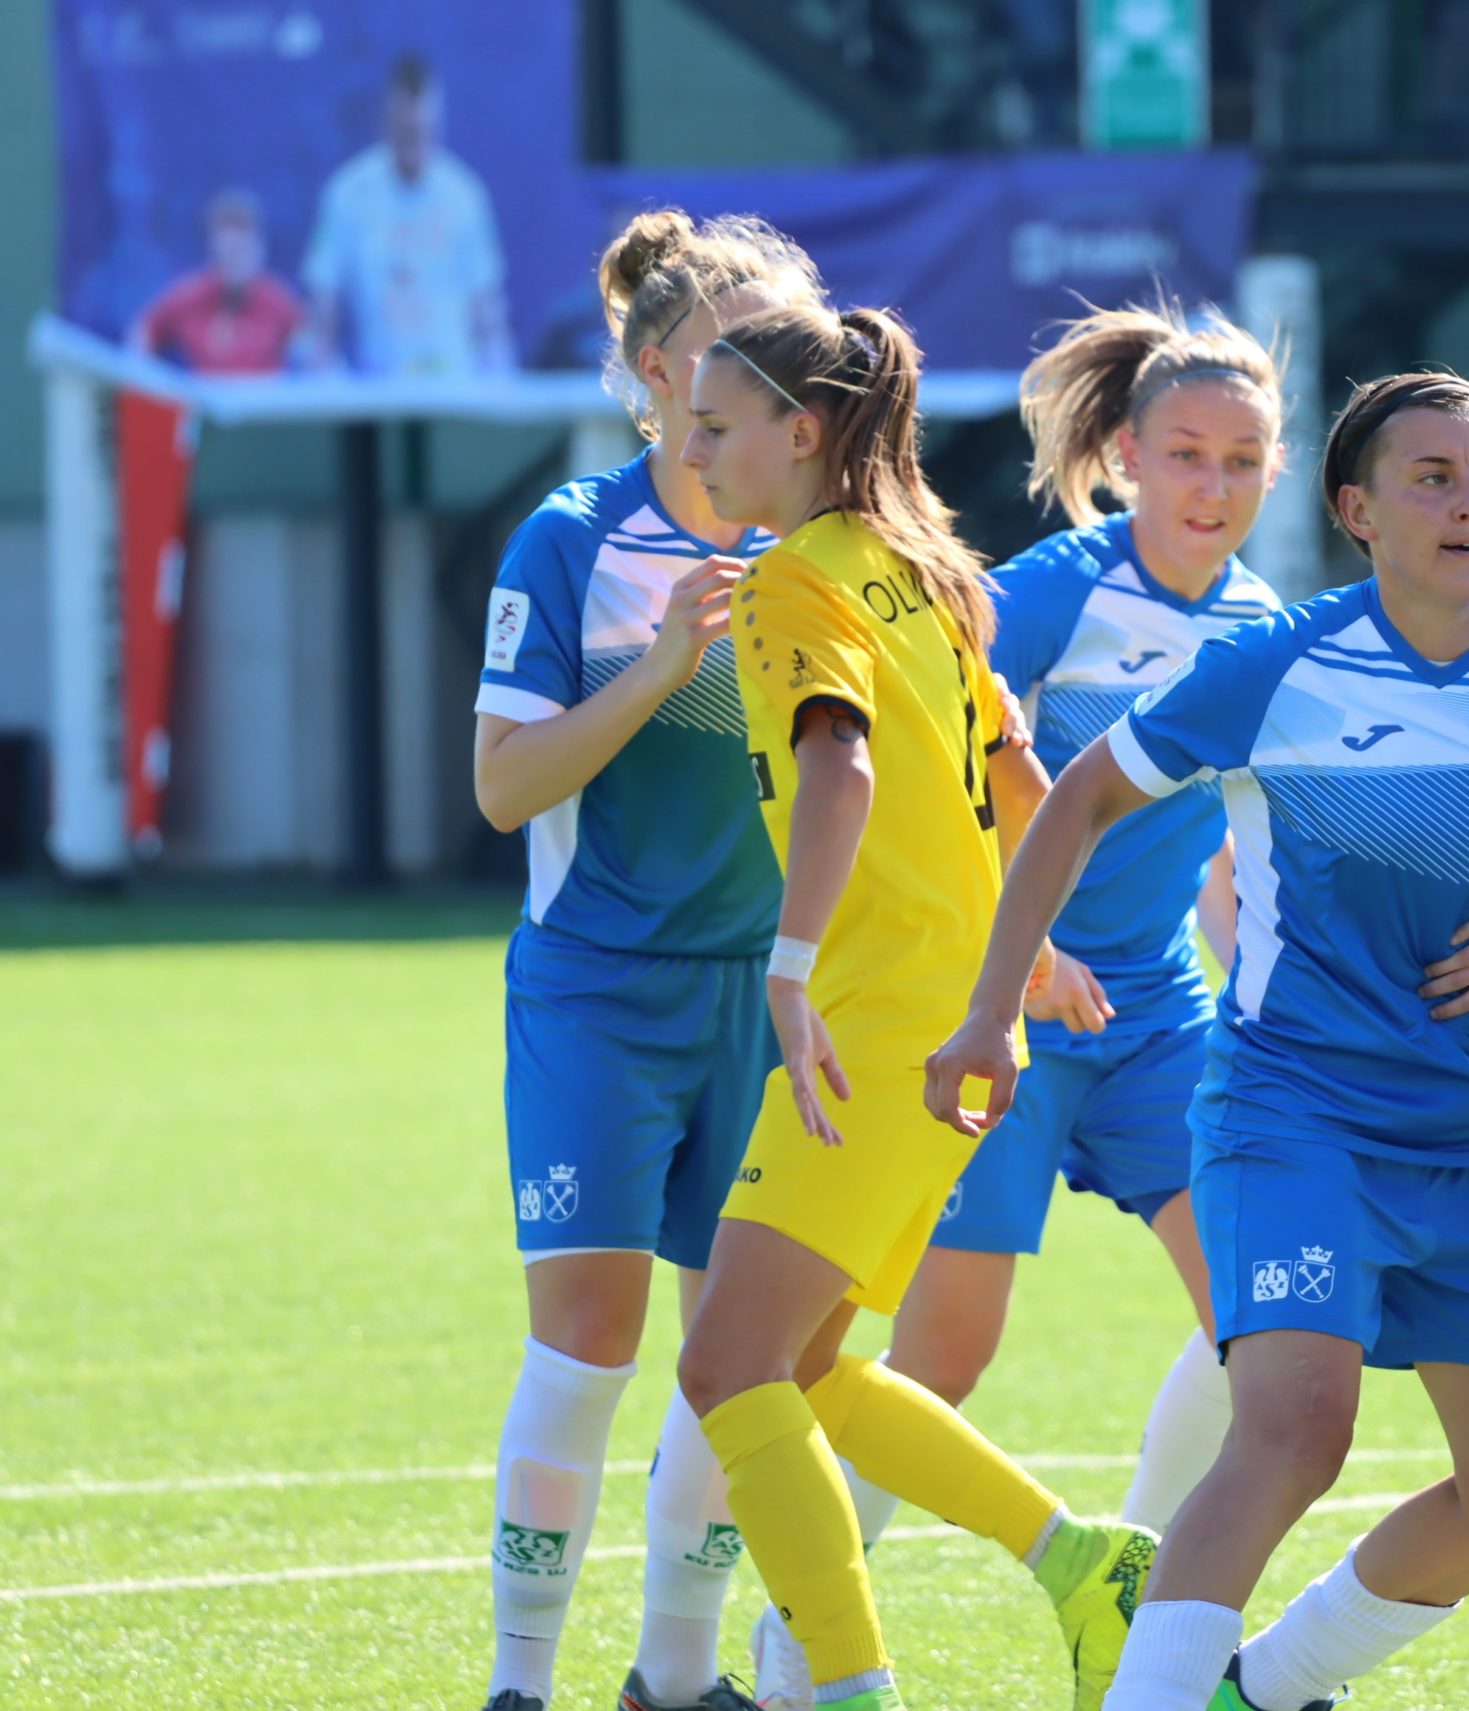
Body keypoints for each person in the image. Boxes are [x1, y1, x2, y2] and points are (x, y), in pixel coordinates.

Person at [925, 370, 1469, 1711]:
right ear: (1357, 510)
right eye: (1434, 477)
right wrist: (989, 1005)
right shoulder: (1278, 661)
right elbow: (1077, 798)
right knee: (1294, 1428)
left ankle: (1259, 1689)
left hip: (1466, 1135)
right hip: (1288, 1111)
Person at [670, 299, 1155, 1711]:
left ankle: (850, 1685)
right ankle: (1084, 1565)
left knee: (729, 1364)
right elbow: (1019, 777)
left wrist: (789, 965)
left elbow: (844, 770)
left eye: (714, 424)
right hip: (949, 1009)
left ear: (801, 431)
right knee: (808, 1362)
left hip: (879, 1014)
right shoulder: (925, 569)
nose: (692, 451)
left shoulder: (794, 581)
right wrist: (1025, 956)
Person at [469, 209, 828, 1711]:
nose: (759, 384)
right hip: (598, 995)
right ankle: (519, 1682)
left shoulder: (822, 546)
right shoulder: (571, 538)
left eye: (787, 354)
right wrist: (666, 664)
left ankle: (676, 1678)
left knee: (739, 1359)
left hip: (768, 1000)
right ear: (653, 370)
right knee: (588, 1345)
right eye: (727, 354)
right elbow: (502, 788)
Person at [303, 53, 511, 376]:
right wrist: (322, 372)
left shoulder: (464, 195)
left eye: (423, 132)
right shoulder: (348, 193)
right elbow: (323, 299)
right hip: (379, 384)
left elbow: (487, 304)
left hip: (455, 382)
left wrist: (499, 376)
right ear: (386, 121)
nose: (415, 144)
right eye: (406, 132)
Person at [126, 188, 302, 374]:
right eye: (228, 253)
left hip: (262, 391)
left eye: (241, 251)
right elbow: (144, 332)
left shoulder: (279, 302)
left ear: (258, 250)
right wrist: (140, 370)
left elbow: (310, 353)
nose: (235, 261)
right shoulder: (189, 296)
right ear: (214, 249)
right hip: (201, 389)